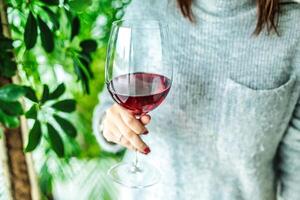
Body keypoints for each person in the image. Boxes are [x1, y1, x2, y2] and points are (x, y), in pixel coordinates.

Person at [93, 0, 300, 199]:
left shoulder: (294, 32)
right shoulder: (146, 9)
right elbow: (107, 109)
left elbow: (296, 172)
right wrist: (110, 125)